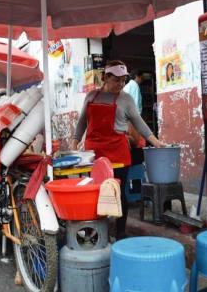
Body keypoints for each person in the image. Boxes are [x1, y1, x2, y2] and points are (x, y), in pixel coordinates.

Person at [71, 60, 166, 240]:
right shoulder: (91, 96)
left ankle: (121, 233)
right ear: (105, 78)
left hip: (118, 152)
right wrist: (75, 144)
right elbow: (82, 122)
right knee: (96, 192)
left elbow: (139, 123)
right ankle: (97, 232)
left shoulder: (126, 99)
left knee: (118, 192)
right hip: (94, 154)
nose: (121, 85)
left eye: (123, 80)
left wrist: (155, 142)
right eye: (117, 80)